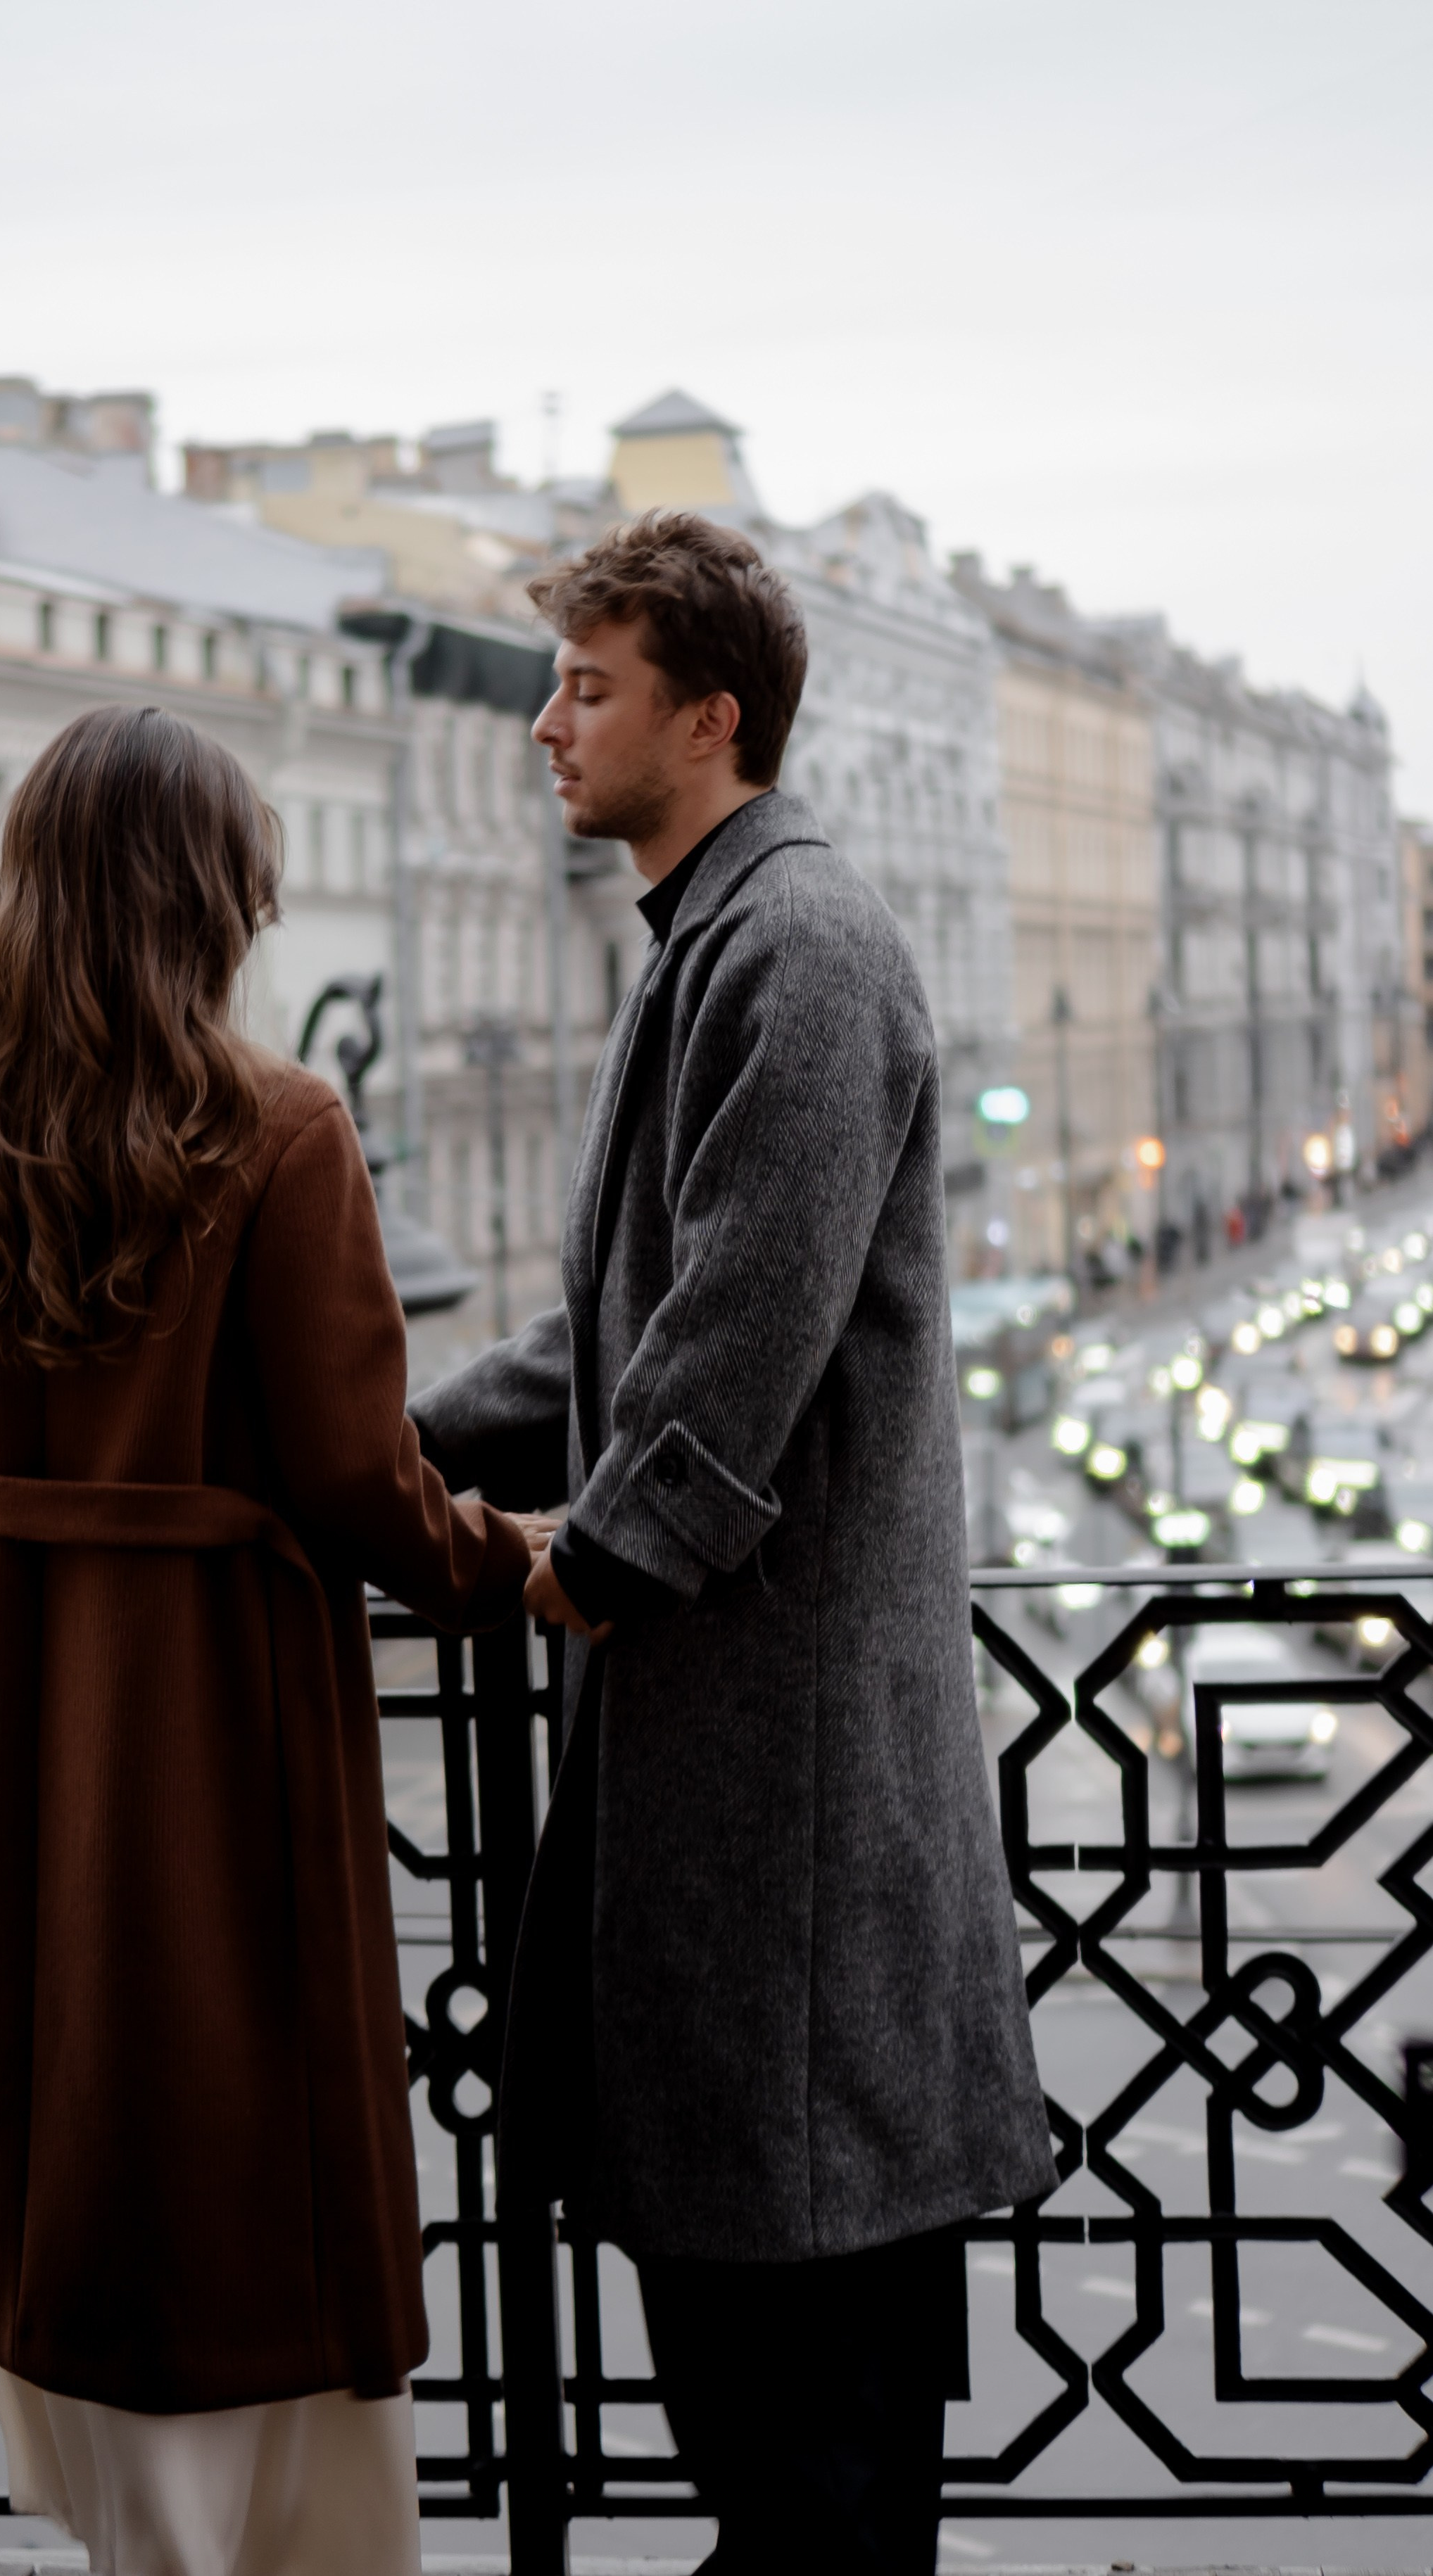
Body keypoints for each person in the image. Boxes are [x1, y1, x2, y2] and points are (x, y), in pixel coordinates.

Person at [410, 512, 1056, 2574]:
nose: (544, 726)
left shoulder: (801, 947)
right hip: (738, 1803)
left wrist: (581, 1560)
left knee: (815, 2458)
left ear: (710, 716)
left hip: (791, 1825)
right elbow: (611, 1338)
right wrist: (367, 1453)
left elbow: (726, 1348)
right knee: (771, 2439)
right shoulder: (713, 939)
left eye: (587, 687)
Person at [0, 704, 532, 2576]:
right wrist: (515, 1566)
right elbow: (354, 1475)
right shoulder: (279, 1123)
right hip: (200, 1719)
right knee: (227, 2125)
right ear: (211, 894)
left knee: (47, 2111)